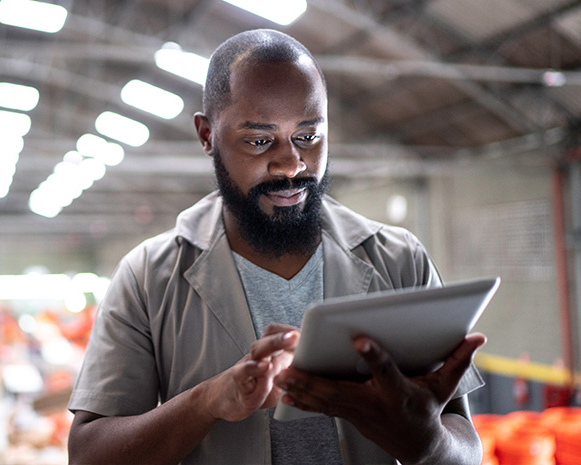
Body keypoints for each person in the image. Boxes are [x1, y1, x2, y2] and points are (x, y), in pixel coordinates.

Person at [67, 29, 486, 465]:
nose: (291, 165)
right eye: (259, 140)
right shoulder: (148, 277)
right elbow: (89, 454)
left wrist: (427, 442)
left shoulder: (400, 260)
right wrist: (209, 401)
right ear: (207, 134)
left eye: (308, 136)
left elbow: (465, 443)